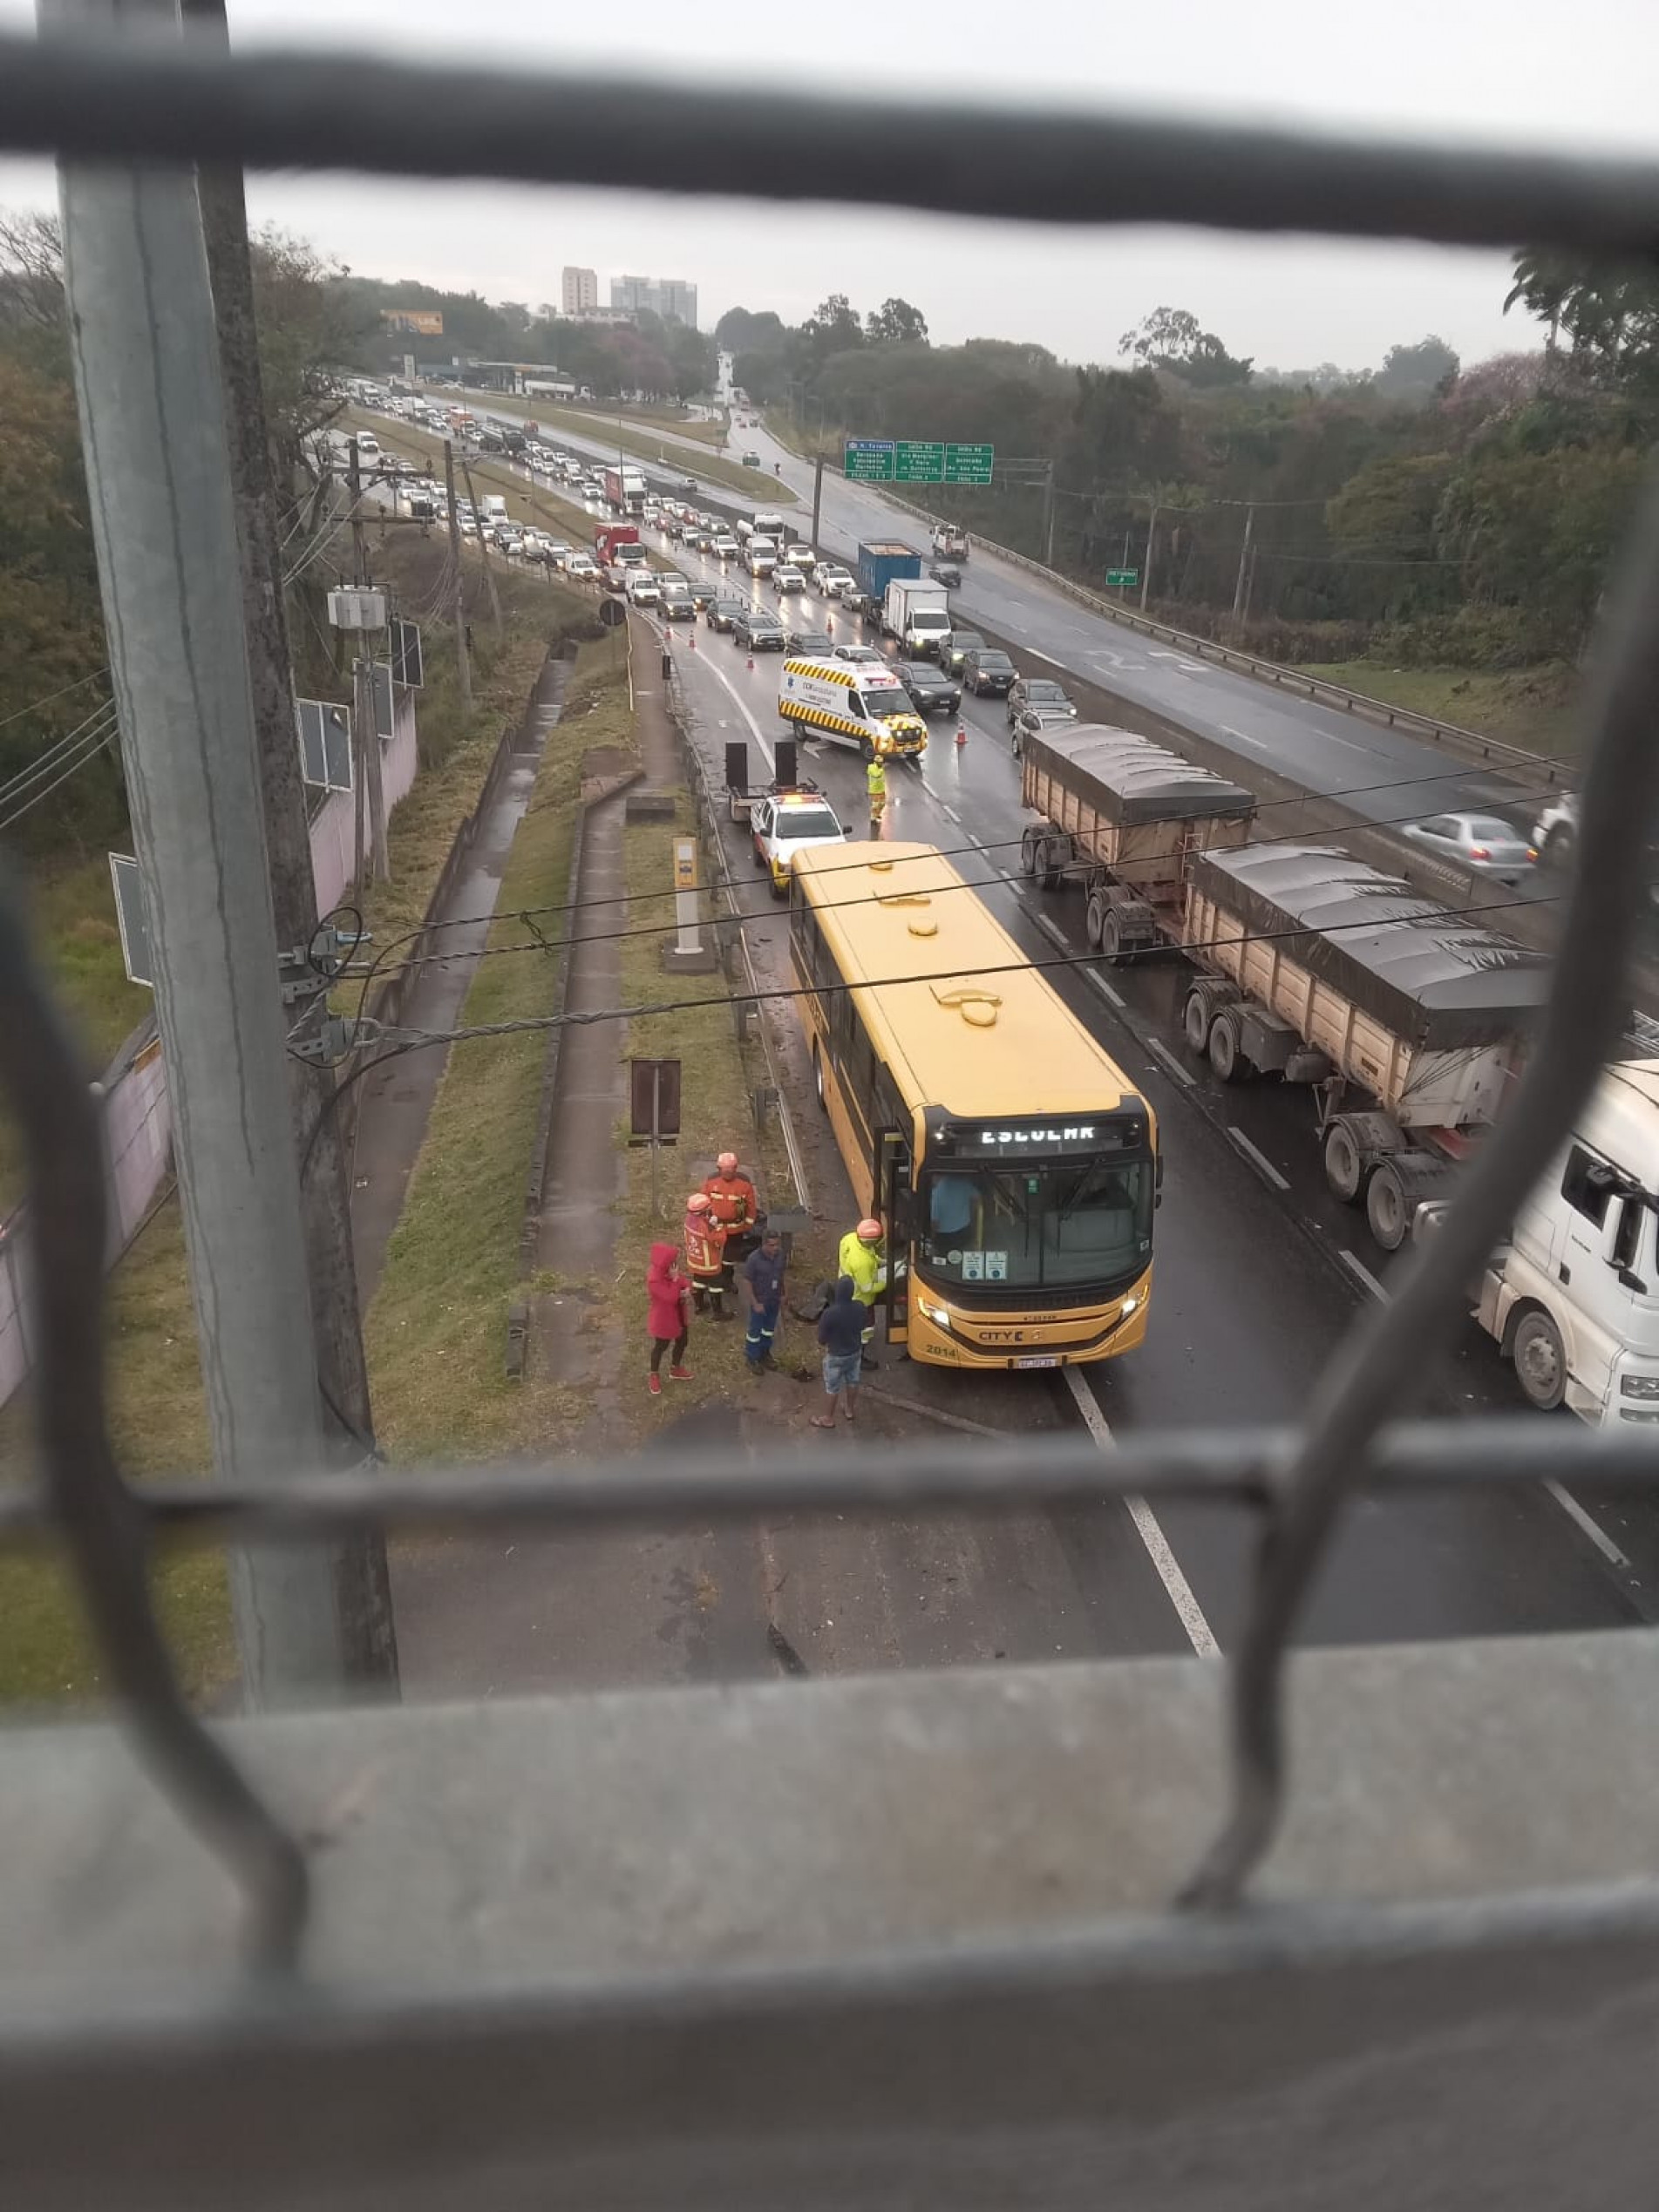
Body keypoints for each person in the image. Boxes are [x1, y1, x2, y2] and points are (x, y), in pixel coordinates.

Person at [812, 1275, 865, 1428]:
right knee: (853, 1381)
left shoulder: (830, 1313)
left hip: (836, 1355)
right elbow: (862, 1326)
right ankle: (849, 1410)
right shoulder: (860, 1307)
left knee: (832, 1387)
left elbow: (821, 1339)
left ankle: (828, 1418)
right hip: (855, 1352)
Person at [837, 1216, 888, 1367]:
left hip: (846, 1288)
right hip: (861, 1299)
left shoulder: (850, 1238)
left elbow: (870, 1253)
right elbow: (867, 1288)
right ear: (870, 1241)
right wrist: (885, 1282)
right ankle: (858, 1357)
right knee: (866, 1327)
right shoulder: (862, 1262)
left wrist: (881, 1262)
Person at [645, 1240, 693, 1396]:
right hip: (664, 1319)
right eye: (673, 1261)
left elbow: (684, 1282)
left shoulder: (670, 1272)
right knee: (661, 1346)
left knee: (682, 1341)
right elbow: (670, 1298)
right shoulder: (654, 1280)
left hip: (678, 1314)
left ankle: (675, 1368)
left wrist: (686, 1289)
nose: (675, 1264)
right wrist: (675, 1281)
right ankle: (654, 1374)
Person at [739, 1227, 787, 1373]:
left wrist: (783, 1293)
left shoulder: (780, 1256)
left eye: (777, 1245)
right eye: (771, 1245)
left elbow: (781, 1274)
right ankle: (751, 1357)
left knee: (768, 1329)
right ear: (764, 1244)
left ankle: (765, 1353)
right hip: (760, 1301)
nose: (775, 1248)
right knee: (755, 1331)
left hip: (774, 1300)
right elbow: (747, 1282)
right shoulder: (754, 1260)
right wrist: (755, 1303)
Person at [702, 1151, 761, 1263]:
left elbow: (751, 1206)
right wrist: (705, 1222)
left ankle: (728, 1277)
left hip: (736, 1229)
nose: (728, 1172)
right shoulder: (711, 1182)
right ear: (719, 1169)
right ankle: (717, 1276)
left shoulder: (744, 1183)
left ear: (735, 1168)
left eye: (731, 1169)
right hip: (715, 1227)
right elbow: (703, 1201)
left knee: (730, 1259)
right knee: (714, 1255)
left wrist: (747, 1225)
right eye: (725, 1170)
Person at [683, 1191, 730, 1320]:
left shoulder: (688, 1220)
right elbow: (720, 1240)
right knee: (716, 1287)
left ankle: (699, 1306)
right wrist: (717, 1227)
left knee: (698, 1282)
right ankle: (718, 1313)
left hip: (695, 1262)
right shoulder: (706, 1226)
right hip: (709, 1265)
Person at [866, 752, 887, 824]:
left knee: (882, 803)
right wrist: (881, 770)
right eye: (880, 762)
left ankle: (877, 814)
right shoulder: (871, 768)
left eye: (882, 762)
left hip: (881, 789)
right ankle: (873, 818)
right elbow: (876, 775)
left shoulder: (880, 768)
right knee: (875, 805)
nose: (881, 764)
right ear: (876, 762)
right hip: (874, 790)